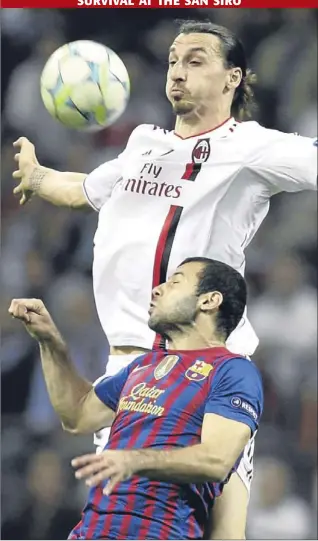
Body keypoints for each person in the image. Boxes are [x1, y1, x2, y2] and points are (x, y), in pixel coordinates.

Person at [12, 18, 316, 534]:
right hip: (129, 372)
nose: (177, 71)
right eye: (174, 60)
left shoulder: (252, 146)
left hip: (209, 365)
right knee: (122, 522)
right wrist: (39, 177)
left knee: (223, 529)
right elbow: (85, 188)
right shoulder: (143, 144)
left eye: (196, 60)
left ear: (232, 78)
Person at [9, 257, 264, 540]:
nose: (157, 289)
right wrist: (50, 342)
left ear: (209, 301)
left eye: (175, 282)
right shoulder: (144, 366)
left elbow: (216, 460)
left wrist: (135, 460)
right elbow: (78, 415)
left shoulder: (233, 371)